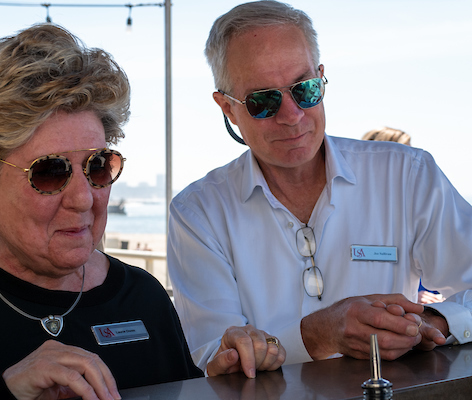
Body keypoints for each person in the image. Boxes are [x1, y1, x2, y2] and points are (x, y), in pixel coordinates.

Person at [167, 0, 472, 375]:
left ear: (322, 79)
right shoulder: (198, 212)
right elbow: (214, 355)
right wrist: (316, 335)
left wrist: (434, 323)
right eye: (264, 101)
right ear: (227, 108)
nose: (292, 116)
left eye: (305, 89)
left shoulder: (407, 174)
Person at [0, 24, 202, 399]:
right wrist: (5, 392)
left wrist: (225, 383)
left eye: (97, 166)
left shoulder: (143, 298)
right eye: (49, 171)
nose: (83, 198)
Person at [361, 127, 444, 305]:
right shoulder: (359, 217)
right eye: (403, 154)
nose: (411, 165)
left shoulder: (420, 212)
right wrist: (415, 298)